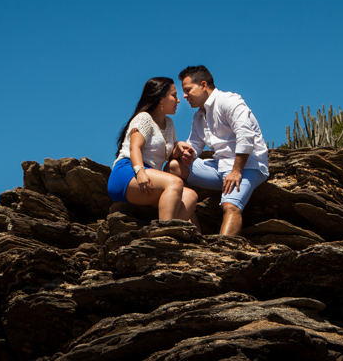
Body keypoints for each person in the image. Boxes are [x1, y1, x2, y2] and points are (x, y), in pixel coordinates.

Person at [176, 65, 269, 236]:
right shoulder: (198, 116)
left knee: (230, 206)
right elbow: (195, 144)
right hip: (219, 167)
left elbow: (245, 135)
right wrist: (189, 153)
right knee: (173, 168)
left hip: (248, 167)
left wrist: (236, 171)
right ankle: (193, 231)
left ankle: (222, 253)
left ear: (203, 85)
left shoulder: (229, 101)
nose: (184, 96)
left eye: (188, 90)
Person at [109, 77, 200, 226]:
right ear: (160, 98)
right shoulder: (144, 118)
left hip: (152, 176)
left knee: (190, 195)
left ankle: (170, 232)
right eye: (174, 95)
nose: (178, 101)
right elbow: (135, 147)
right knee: (175, 183)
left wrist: (181, 148)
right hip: (129, 172)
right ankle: (162, 233)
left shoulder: (169, 124)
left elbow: (169, 154)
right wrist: (140, 172)